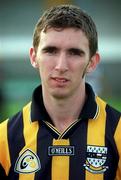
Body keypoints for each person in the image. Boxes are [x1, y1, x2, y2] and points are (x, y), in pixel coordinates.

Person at [0, 4, 121, 180]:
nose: (61, 66)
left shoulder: (118, 133)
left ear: (93, 62)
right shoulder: (4, 140)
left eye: (74, 53)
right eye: (51, 51)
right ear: (34, 57)